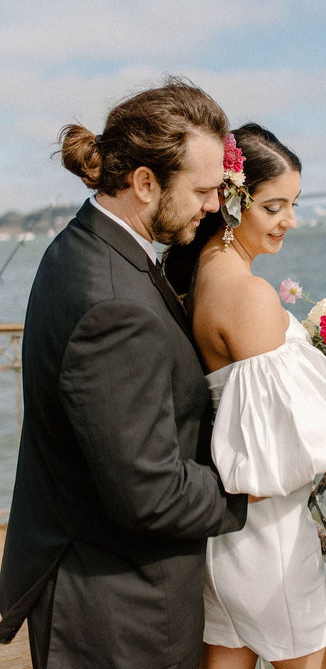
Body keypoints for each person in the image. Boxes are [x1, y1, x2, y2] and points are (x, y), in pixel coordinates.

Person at [0, 78, 248, 669]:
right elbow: (151, 495)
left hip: (93, 581)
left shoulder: (86, 246)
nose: (215, 205)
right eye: (204, 190)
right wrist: (250, 488)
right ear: (144, 183)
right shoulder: (113, 303)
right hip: (117, 612)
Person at [164, 123, 326, 669]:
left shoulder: (201, 279)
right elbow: (294, 440)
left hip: (224, 541)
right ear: (232, 203)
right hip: (271, 539)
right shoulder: (249, 296)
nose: (290, 221)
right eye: (275, 206)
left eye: (294, 205)